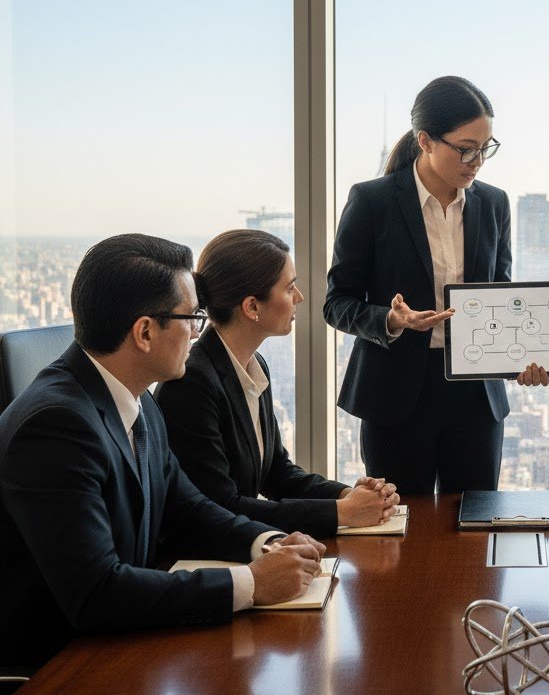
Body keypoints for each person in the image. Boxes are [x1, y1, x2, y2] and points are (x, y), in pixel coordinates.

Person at [0, 234, 325, 670]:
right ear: (146, 332)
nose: (198, 331)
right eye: (192, 317)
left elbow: (187, 507)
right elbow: (97, 592)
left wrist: (267, 543)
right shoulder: (57, 426)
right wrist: (252, 583)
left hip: (125, 646)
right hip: (56, 677)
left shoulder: (139, 399)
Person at [324, 75, 547, 495]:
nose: (477, 160)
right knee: (401, 529)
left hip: (476, 395)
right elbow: (337, 302)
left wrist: (522, 355)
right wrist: (391, 320)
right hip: (396, 393)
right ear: (425, 141)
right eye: (466, 148)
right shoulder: (373, 202)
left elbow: (502, 297)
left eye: (486, 148)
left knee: (476, 529)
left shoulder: (494, 203)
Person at [155, 229, 399, 539]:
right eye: (289, 288)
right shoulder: (192, 383)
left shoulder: (253, 366)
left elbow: (276, 472)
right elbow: (221, 505)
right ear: (252, 307)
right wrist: (341, 513)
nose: (299, 297)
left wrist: (347, 495)